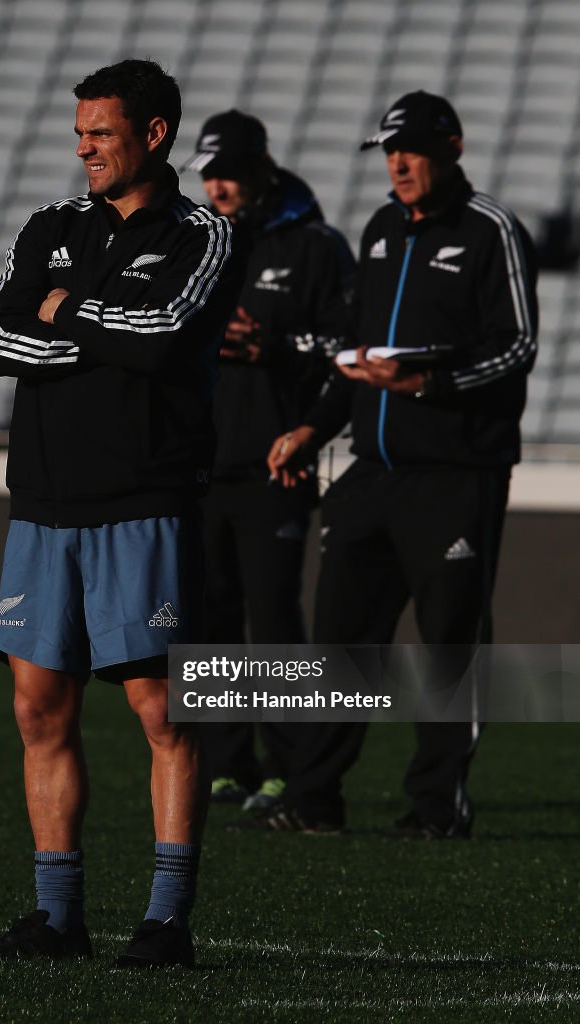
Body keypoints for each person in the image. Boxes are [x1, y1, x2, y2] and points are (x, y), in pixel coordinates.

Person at [0, 59, 244, 967]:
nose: (84, 148)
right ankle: (58, 919)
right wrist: (101, 324)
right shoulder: (50, 226)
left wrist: (65, 310)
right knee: (39, 707)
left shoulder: (203, 233)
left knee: (163, 714)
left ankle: (165, 923)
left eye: (101, 133)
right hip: (42, 503)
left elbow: (163, 340)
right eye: (79, 133)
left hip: (144, 502)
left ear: (152, 135)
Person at [265, 90, 538, 837]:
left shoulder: (492, 232)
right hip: (370, 472)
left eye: (411, 149)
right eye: (387, 151)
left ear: (451, 147)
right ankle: (313, 796)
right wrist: (313, 429)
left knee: (448, 643)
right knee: (341, 642)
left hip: (455, 475)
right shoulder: (382, 228)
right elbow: (352, 351)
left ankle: (435, 806)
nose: (397, 163)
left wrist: (427, 383)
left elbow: (516, 347)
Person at [181, 110, 355, 811]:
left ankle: (289, 766)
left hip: (275, 464)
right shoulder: (195, 244)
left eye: (227, 173)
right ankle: (225, 765)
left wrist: (272, 348)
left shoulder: (316, 246)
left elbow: (346, 352)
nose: (217, 188)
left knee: (274, 620)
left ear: (261, 168)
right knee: (209, 617)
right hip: (199, 463)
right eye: (209, 175)